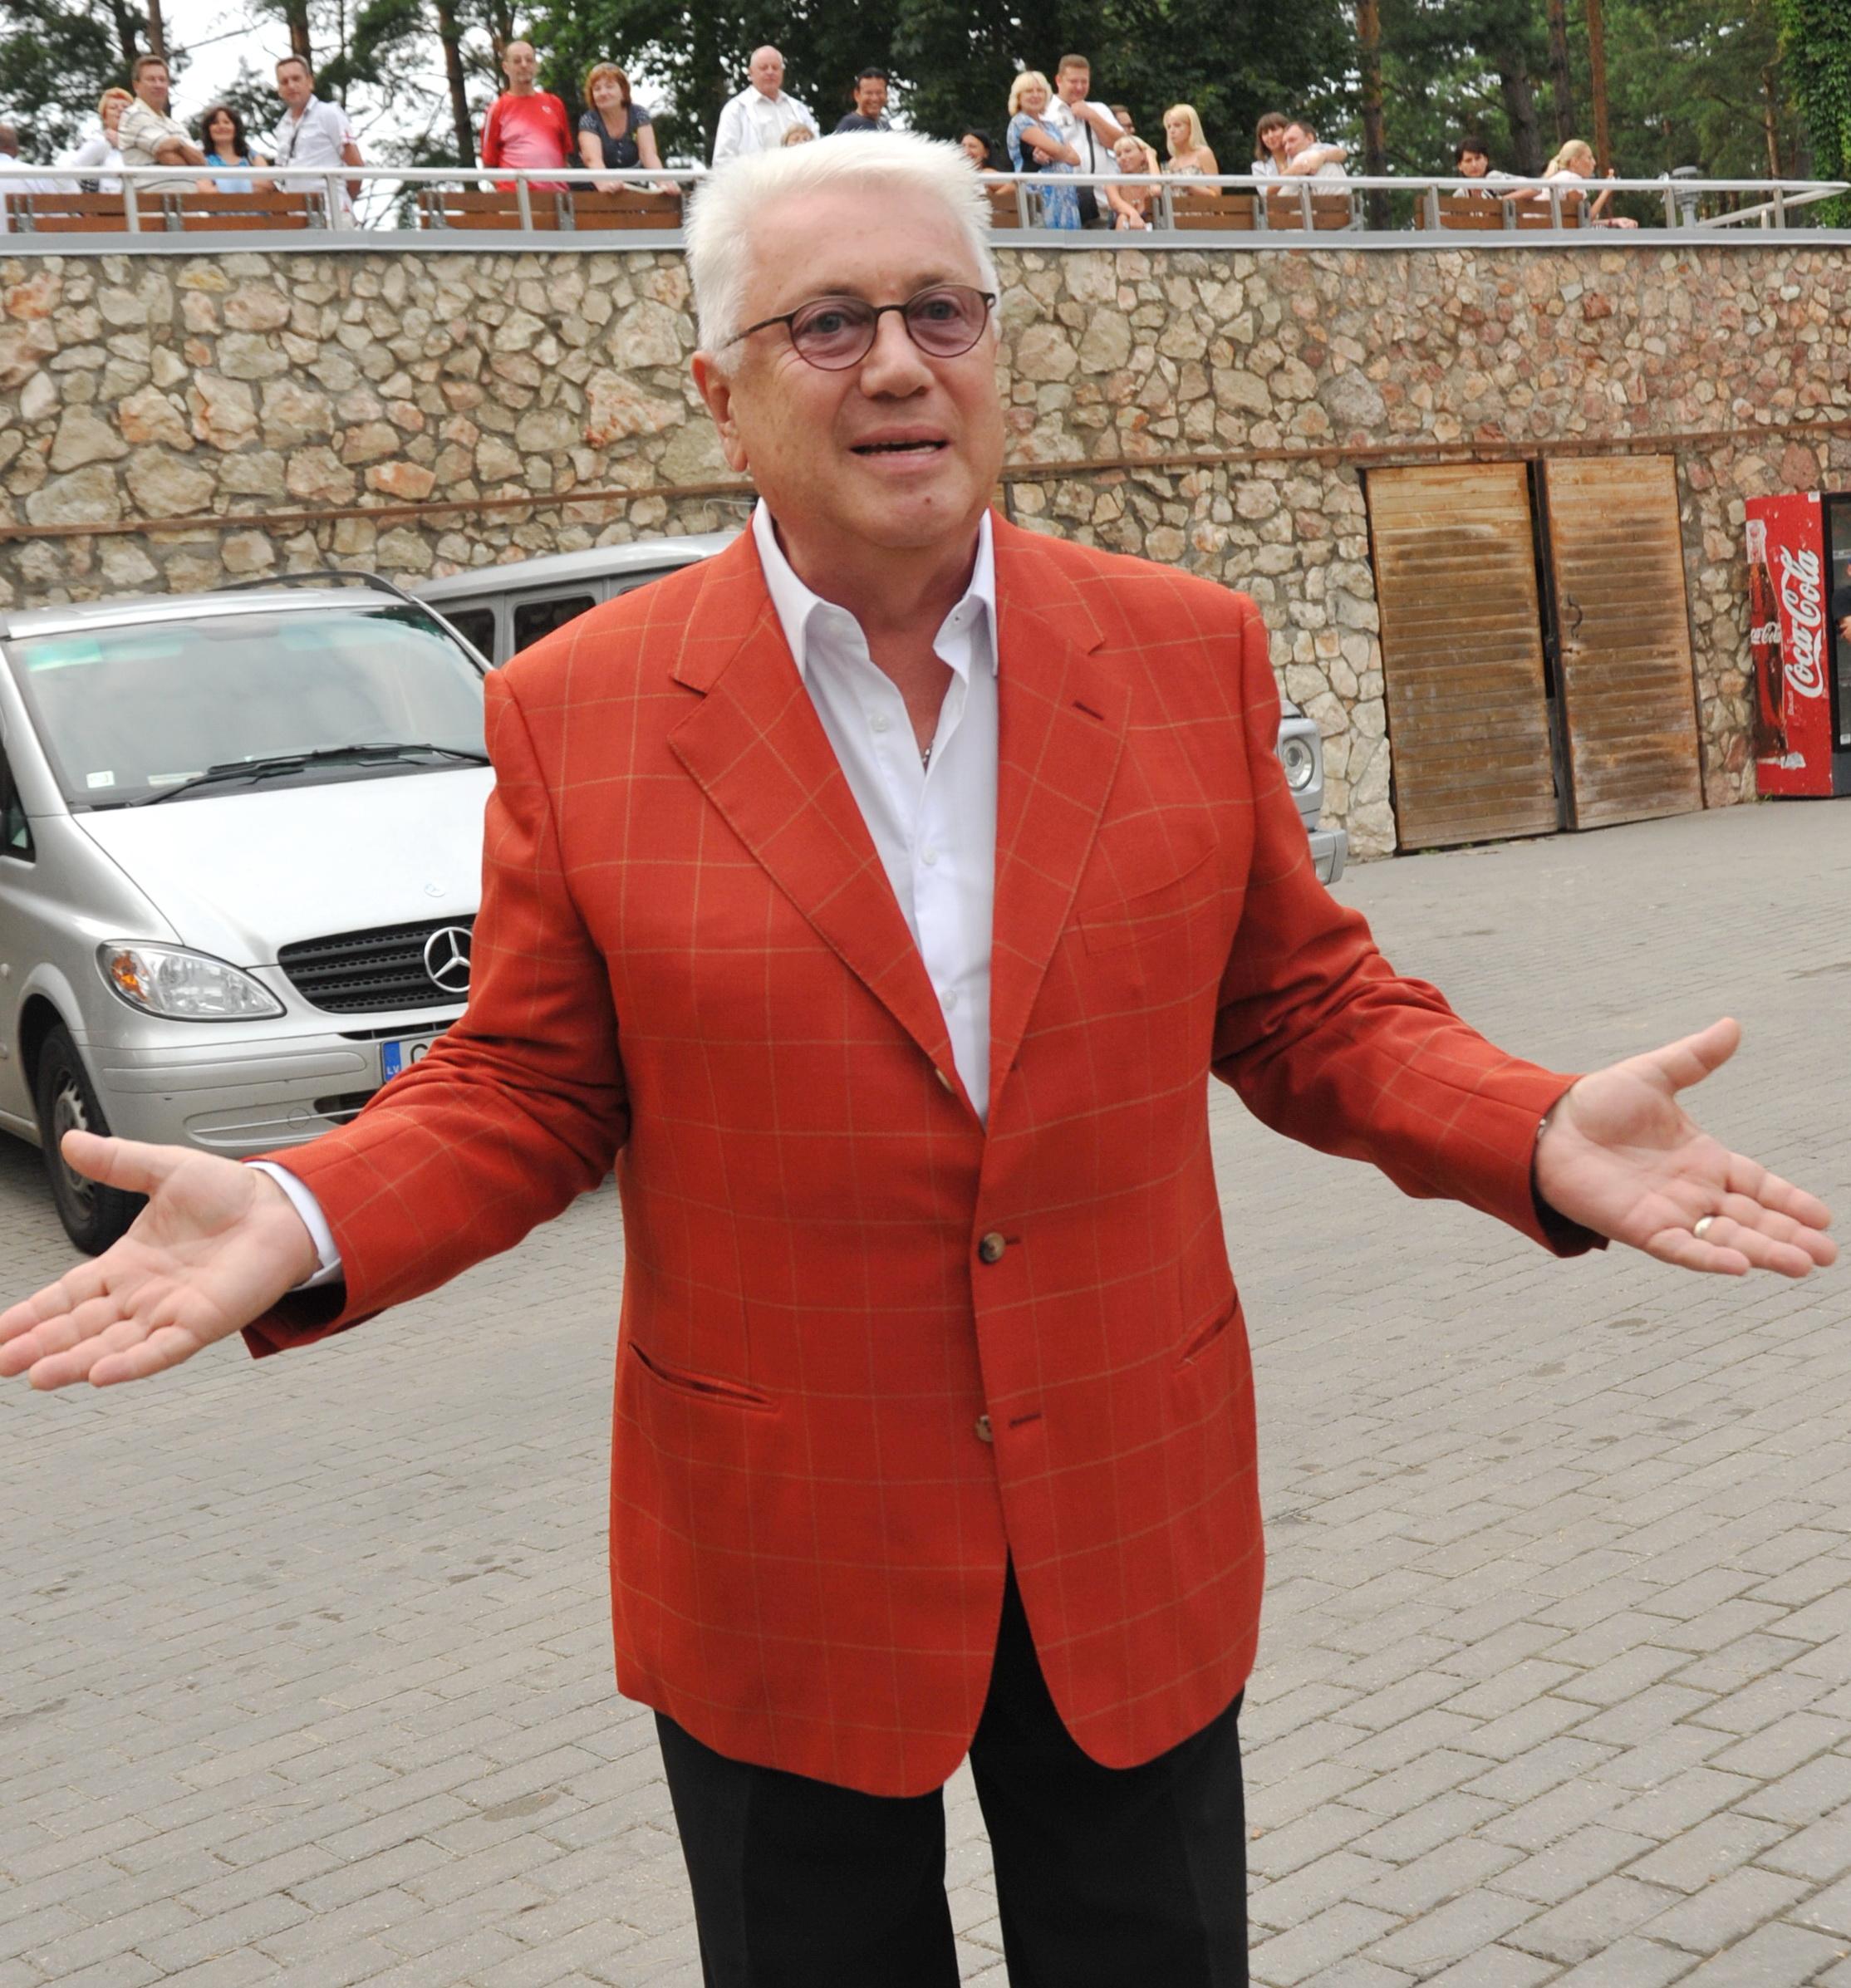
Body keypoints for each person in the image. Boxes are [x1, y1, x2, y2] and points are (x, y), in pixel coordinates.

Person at [1, 129, 1834, 1988]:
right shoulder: (579, 711)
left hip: (1125, 1504)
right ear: (720, 395)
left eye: (940, 311)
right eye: (826, 323)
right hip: (779, 1545)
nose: (896, 362)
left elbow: (1301, 1005)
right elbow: (532, 1084)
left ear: (994, 352)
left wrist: (1531, 1124)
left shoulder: (1180, 650)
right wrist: (306, 1205)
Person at [268, 56, 362, 212]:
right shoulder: (282, 126)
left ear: (310, 82)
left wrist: (344, 201)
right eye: (284, 82)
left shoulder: (329, 113)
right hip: (297, 213)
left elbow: (356, 165)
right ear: (279, 90)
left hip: (332, 212)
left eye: (296, 79)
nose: (291, 85)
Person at [480, 38, 572, 192]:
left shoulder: (554, 103)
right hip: (515, 198)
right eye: (517, 61)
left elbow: (564, 154)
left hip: (555, 196)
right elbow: (489, 163)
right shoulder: (497, 109)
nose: (524, 65)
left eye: (529, 60)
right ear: (506, 67)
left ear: (536, 65)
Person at [1043, 54, 1123, 227]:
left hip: (1102, 203)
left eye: (1084, 82)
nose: (1079, 87)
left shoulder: (1099, 109)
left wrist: (1092, 117)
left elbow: (1120, 146)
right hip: (1063, 205)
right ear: (1059, 80)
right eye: (1073, 81)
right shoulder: (1046, 114)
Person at [116, 53, 209, 194]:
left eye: (162, 80)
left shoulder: (176, 125)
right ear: (136, 86)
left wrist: (178, 144)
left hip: (187, 201)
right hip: (152, 203)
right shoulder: (133, 116)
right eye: (151, 79)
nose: (158, 85)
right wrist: (186, 155)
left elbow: (201, 163)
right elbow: (171, 161)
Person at [711, 45, 813, 164]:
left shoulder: (799, 109)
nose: (770, 72)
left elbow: (817, 150)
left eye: (775, 67)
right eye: (764, 68)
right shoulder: (735, 110)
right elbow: (723, 161)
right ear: (751, 72)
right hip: (752, 176)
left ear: (782, 72)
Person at [1006, 70, 1080, 229]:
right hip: (1039, 202)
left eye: (1040, 90)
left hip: (1065, 201)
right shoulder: (1020, 122)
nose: (1035, 95)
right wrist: (1057, 151)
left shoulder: (1050, 125)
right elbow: (1059, 151)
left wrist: (1053, 153)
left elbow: (1075, 159)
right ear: (1018, 97)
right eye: (1029, 91)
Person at [576, 62, 664, 179]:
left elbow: (648, 155)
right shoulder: (589, 119)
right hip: (594, 184)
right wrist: (607, 184)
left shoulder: (639, 114)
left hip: (633, 181)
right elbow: (593, 160)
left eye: (609, 87)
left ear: (623, 90)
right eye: (597, 89)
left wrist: (663, 182)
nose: (603, 93)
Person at [58, 88, 130, 192]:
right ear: (105, 118)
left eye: (126, 107)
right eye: (113, 107)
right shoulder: (100, 143)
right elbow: (66, 175)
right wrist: (79, 200)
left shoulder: (145, 143)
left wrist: (123, 144)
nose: (120, 110)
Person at [198, 103, 268, 192]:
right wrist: (249, 184)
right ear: (208, 130)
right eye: (215, 123)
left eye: (226, 122)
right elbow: (205, 191)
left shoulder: (251, 156)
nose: (221, 126)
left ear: (236, 128)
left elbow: (266, 185)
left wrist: (220, 187)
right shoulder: (201, 159)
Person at [1104, 131, 1157, 228]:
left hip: (1151, 233)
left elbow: (1156, 190)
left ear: (1143, 155)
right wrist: (1133, 214)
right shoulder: (1112, 182)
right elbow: (1115, 202)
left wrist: (1151, 158)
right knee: (1123, 218)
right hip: (1119, 231)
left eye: (1128, 151)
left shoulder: (1150, 179)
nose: (1123, 157)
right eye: (1119, 155)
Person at [1161, 102, 1218, 191]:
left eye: (1177, 125)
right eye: (1169, 127)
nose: (1171, 131)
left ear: (1191, 127)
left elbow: (1215, 193)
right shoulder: (1172, 163)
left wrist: (1188, 185)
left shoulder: (1204, 154)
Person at [1281, 117, 1348, 178]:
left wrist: (1321, 156)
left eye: (1292, 140)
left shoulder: (1316, 148)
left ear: (1309, 138)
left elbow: (1342, 153)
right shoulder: (1289, 159)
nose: (1287, 148)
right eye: (1285, 144)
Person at [833, 66, 891, 135]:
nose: (875, 98)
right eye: (869, 93)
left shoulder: (885, 126)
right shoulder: (849, 126)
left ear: (886, 94)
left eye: (879, 93)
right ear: (857, 95)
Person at [1252, 109, 1289, 177]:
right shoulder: (1258, 167)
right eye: (1265, 133)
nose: (1270, 136)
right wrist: (1293, 171)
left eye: (1274, 130)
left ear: (1287, 130)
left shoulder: (1302, 156)